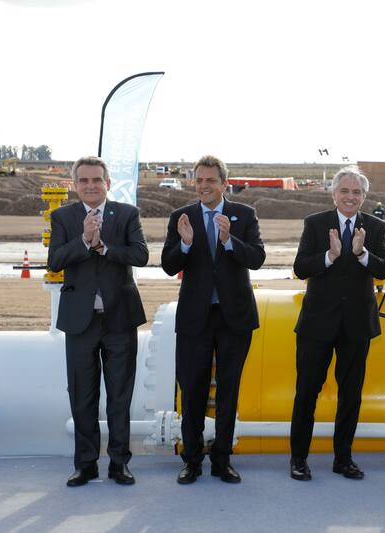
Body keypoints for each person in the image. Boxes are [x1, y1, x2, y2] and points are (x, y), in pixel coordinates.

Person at [161, 155, 266, 485]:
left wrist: (228, 241)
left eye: (210, 180)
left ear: (224, 183)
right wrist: (187, 244)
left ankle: (222, 459)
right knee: (192, 389)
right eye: (199, 180)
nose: (204, 186)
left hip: (234, 317)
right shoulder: (182, 217)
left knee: (228, 392)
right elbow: (167, 264)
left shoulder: (244, 215)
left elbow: (257, 258)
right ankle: (191, 459)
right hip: (196, 317)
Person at [47, 156, 148, 487]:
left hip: (119, 319)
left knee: (120, 395)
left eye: (96, 180)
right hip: (80, 322)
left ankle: (119, 463)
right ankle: (86, 464)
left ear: (107, 183)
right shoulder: (63, 216)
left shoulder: (127, 214)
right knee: (83, 395)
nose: (90, 186)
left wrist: (103, 246)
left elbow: (140, 255)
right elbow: (56, 259)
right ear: (75, 184)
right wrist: (83, 241)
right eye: (84, 181)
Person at [289, 165, 385, 481]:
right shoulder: (315, 224)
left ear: (363, 197)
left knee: (351, 394)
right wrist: (329, 257)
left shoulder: (374, 227)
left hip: (356, 325)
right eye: (345, 191)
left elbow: (384, 270)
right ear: (333, 194)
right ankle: (299, 459)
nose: (350, 197)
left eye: (356, 192)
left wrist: (361, 255)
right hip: (317, 325)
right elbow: (301, 268)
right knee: (307, 391)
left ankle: (343, 458)